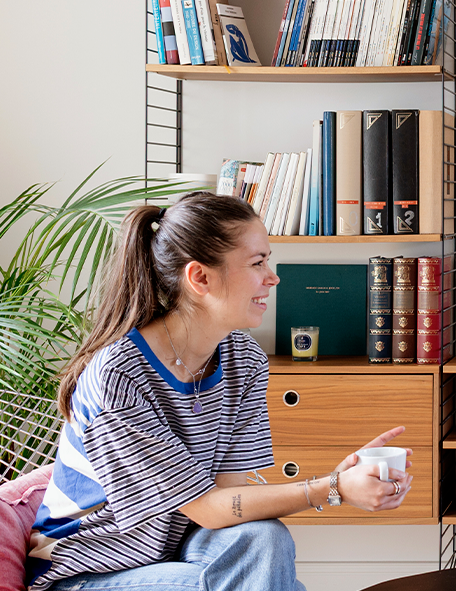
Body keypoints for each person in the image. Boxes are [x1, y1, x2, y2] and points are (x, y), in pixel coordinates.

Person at [27, 193, 413, 591]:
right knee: (224, 584)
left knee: (266, 539)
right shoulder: (118, 376)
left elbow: (229, 499)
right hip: (87, 571)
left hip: (174, 548)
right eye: (257, 262)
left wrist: (336, 480)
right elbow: (208, 511)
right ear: (200, 278)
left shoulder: (243, 359)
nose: (273, 276)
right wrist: (332, 489)